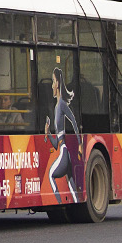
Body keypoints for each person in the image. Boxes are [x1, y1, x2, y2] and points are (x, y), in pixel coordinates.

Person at [43, 66, 81, 203]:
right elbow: (56, 145)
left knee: (50, 175)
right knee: (70, 182)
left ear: (58, 83)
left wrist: (80, 143)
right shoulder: (56, 106)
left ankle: (59, 202)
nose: (52, 85)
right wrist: (48, 133)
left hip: (64, 152)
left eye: (53, 81)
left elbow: (74, 122)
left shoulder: (62, 104)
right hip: (62, 150)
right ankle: (76, 202)